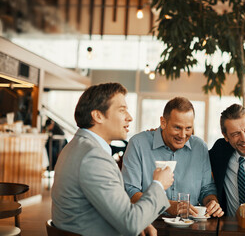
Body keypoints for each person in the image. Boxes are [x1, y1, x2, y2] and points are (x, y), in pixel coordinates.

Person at [51, 83, 174, 236]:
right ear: (98, 116)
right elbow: (131, 223)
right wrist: (159, 185)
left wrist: (143, 220)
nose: (129, 117)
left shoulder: (77, 146)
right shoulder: (93, 157)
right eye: (122, 110)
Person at [122, 97, 224, 217]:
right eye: (177, 127)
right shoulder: (138, 144)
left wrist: (212, 202)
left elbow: (207, 189)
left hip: (190, 225)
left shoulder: (200, 147)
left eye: (188, 128)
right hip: (148, 223)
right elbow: (130, 192)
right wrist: (167, 205)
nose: (182, 135)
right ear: (163, 122)